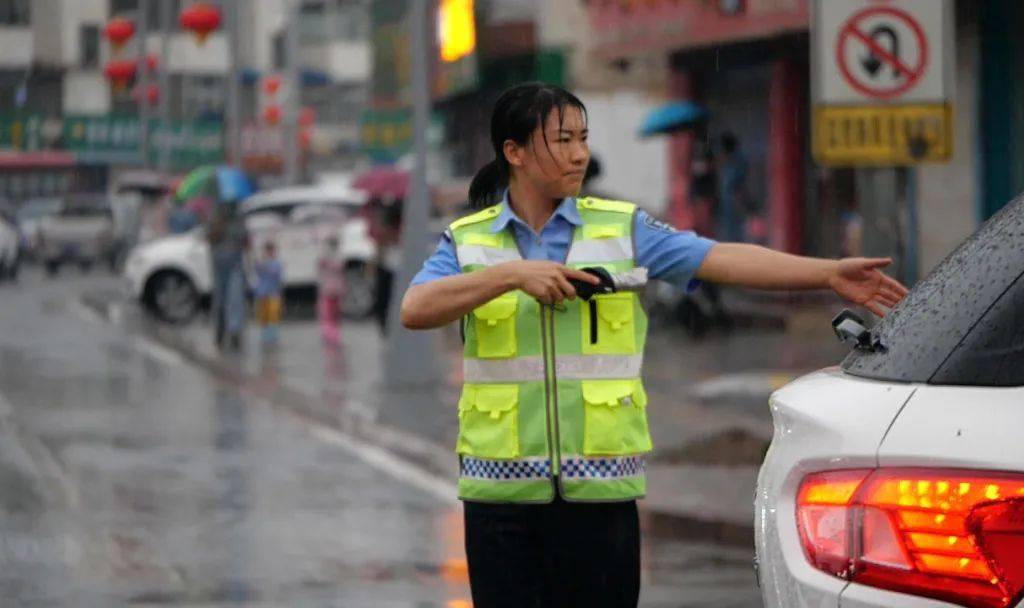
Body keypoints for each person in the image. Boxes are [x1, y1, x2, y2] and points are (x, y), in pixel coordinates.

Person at [400, 82, 908, 608]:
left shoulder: (621, 226)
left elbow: (718, 257)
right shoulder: (469, 240)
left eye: (583, 138)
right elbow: (415, 309)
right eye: (563, 139)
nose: (580, 153)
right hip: (499, 497)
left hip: (600, 491)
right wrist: (510, 276)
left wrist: (827, 273)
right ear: (515, 152)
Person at [206, 203, 248, 349]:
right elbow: (209, 238)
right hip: (219, 265)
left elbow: (245, 239)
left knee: (235, 297)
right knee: (220, 300)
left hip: (235, 264)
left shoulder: (239, 218)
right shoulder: (214, 218)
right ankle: (220, 331)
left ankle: (235, 332)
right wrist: (219, 226)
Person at [716, 131, 749, 242]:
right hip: (729, 200)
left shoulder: (738, 160)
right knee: (730, 229)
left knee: (735, 229)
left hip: (734, 200)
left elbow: (737, 184)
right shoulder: (730, 160)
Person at [253, 240, 284, 345]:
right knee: (263, 316)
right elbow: (257, 269)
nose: (269, 253)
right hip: (262, 294)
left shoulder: (277, 264)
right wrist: (261, 262)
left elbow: (276, 274)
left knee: (273, 315)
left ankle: (273, 336)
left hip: (274, 294)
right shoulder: (261, 262)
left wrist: (264, 265)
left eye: (271, 250)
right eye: (267, 250)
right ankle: (265, 337)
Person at [317, 235, 345, 345]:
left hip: (332, 290)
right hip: (330, 290)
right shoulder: (330, 258)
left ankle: (331, 334)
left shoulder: (336, 258)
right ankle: (330, 334)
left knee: (331, 313)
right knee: (331, 313)